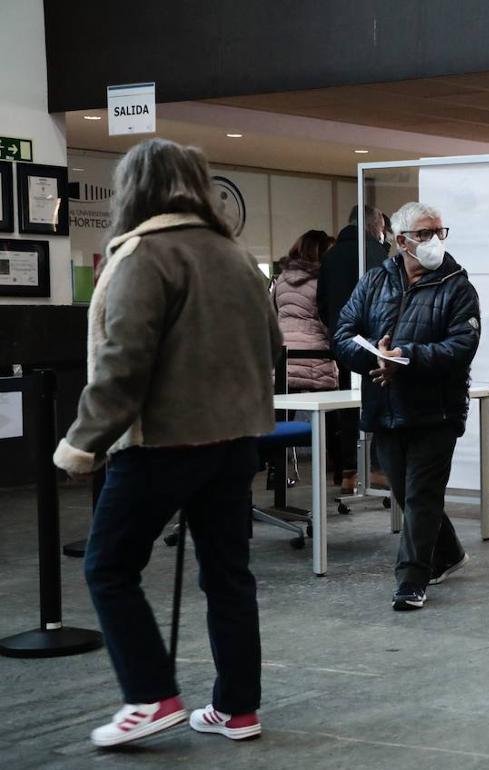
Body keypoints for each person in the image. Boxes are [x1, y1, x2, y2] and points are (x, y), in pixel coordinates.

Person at [52, 138, 282, 747]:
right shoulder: (235, 258)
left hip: (162, 443)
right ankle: (237, 709)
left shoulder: (143, 256)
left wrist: (83, 443)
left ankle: (150, 696)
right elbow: (273, 347)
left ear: (135, 188)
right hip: (235, 442)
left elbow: (122, 364)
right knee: (228, 575)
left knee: (108, 568)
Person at [333, 201, 481, 611]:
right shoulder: (375, 281)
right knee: (407, 493)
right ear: (400, 241)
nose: (435, 241)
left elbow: (462, 345)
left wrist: (407, 357)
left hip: (436, 410)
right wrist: (373, 359)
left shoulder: (457, 285)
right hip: (384, 406)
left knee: (421, 495)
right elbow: (343, 331)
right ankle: (448, 552)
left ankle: (412, 579)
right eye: (424, 234)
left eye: (439, 232)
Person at [317, 204, 389, 489]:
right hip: (373, 344)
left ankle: (349, 470)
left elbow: (321, 303)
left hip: (342, 343)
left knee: (345, 406)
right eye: (383, 228)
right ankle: (376, 467)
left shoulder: (330, 257)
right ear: (374, 226)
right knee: (375, 401)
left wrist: (338, 329)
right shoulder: (376, 255)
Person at [273, 230, 351, 487]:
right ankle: (343, 472)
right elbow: (326, 318)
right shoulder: (322, 281)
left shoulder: (282, 279)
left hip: (284, 357)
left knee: (281, 417)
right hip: (315, 353)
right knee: (330, 417)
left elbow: (275, 314)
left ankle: (276, 472)